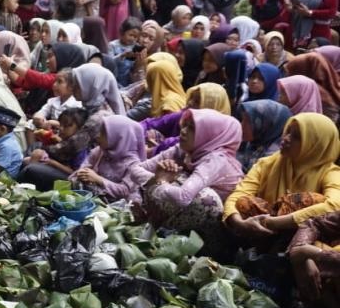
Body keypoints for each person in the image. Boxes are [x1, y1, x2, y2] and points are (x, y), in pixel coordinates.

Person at [224, 113, 340, 249]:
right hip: (263, 231)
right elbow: (238, 195)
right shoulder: (268, 163)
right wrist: (239, 223)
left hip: (304, 236)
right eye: (288, 131)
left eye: (296, 136)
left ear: (315, 144)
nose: (286, 138)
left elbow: (335, 206)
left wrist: (278, 222)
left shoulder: (330, 173)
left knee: (314, 201)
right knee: (244, 202)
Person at [133, 109, 244, 244]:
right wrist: (158, 177)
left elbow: (183, 197)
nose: (183, 131)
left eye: (192, 128)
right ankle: (154, 233)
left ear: (209, 135)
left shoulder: (216, 160)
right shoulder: (184, 149)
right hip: (185, 218)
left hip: (218, 231)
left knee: (201, 196)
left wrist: (161, 181)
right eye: (185, 125)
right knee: (162, 180)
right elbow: (135, 170)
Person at [71, 114, 146, 203]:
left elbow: (125, 191)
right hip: (96, 198)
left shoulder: (133, 164)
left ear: (118, 137)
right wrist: (82, 173)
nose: (98, 135)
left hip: (119, 207)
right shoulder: (101, 151)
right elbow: (86, 164)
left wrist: (98, 179)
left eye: (103, 133)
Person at [237, 99, 291, 171]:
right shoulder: (256, 143)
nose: (241, 125)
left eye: (247, 121)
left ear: (266, 125)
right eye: (243, 120)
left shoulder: (274, 159)